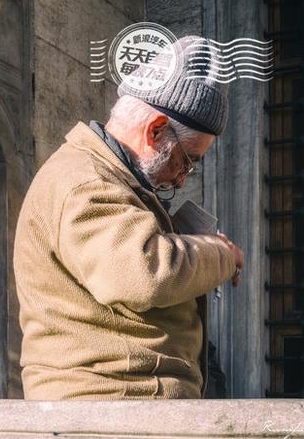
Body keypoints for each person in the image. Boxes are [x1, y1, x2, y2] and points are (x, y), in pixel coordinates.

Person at [14, 37, 245, 399]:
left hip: (129, 403)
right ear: (154, 130)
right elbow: (147, 274)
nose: (182, 178)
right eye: (187, 160)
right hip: (106, 407)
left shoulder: (111, 177)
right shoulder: (85, 181)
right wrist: (220, 253)